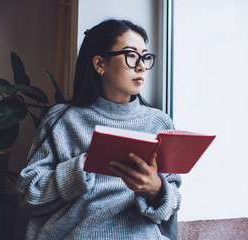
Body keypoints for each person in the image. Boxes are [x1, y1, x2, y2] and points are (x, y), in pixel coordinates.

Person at [17, 19, 181, 240]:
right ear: (99, 64)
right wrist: (83, 166)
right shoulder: (63, 119)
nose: (141, 65)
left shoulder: (159, 123)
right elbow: (29, 194)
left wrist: (155, 188)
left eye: (145, 56)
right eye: (131, 55)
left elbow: (171, 207)